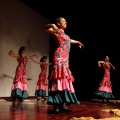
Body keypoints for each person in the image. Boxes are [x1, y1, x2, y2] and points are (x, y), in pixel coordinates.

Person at [44, 17, 84, 113]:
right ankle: (56, 105)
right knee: (58, 79)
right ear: (58, 23)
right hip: (59, 57)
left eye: (66, 21)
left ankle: (62, 104)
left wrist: (77, 42)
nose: (66, 22)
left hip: (66, 59)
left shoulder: (66, 35)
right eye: (63, 21)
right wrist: (52, 25)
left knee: (64, 80)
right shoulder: (56, 31)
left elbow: (69, 40)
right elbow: (45, 28)